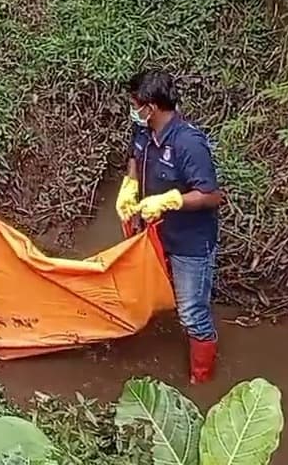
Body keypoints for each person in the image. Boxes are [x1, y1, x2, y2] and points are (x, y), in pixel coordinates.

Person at [116, 69, 224, 384]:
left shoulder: (188, 143)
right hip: (154, 233)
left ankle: (201, 379)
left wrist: (171, 200)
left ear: (150, 107)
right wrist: (129, 188)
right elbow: (135, 160)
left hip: (189, 241)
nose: (132, 110)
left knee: (192, 312)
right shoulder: (144, 132)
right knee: (154, 293)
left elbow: (211, 195)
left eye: (135, 104)